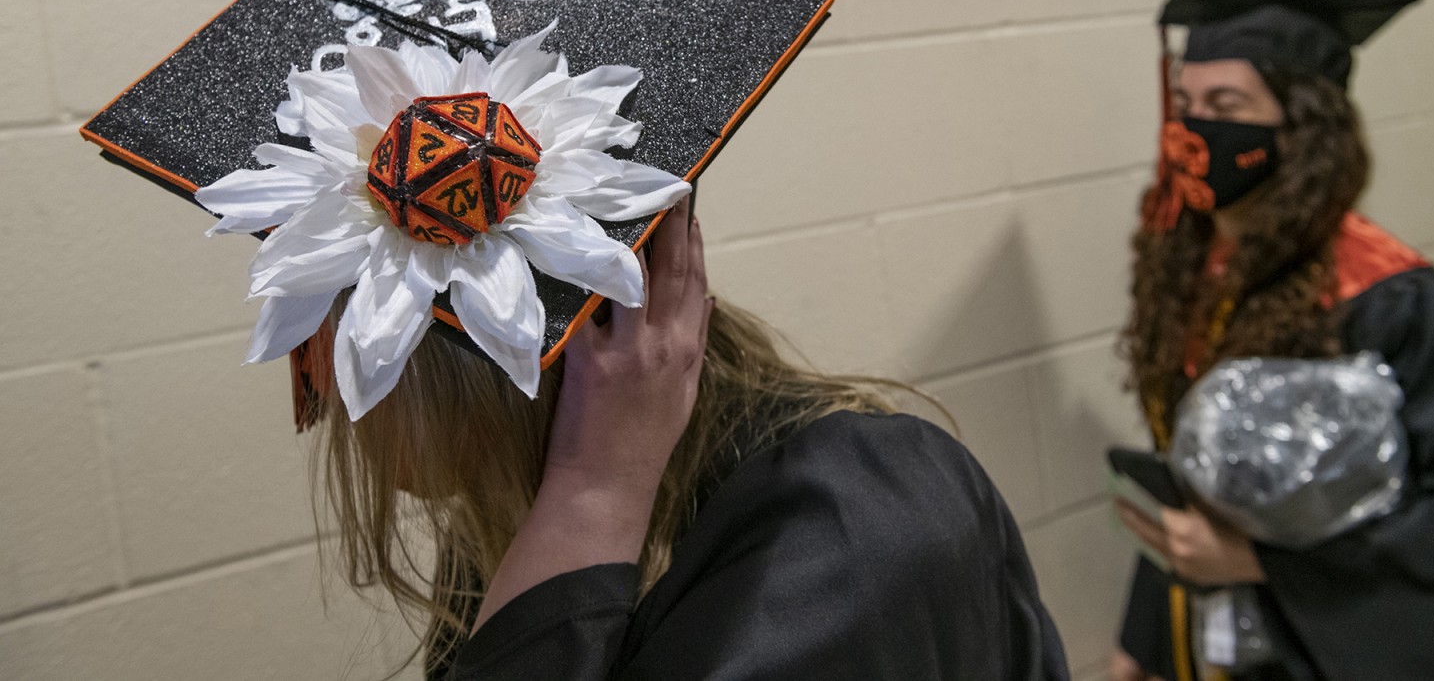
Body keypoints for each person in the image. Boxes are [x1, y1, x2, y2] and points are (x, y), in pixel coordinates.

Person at [316, 198, 1071, 680]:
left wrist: (594, 496)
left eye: (344, 338)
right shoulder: (512, 524)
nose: (324, 385)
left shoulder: (845, 523)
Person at [1110, 0, 1434, 681]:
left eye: (1228, 103)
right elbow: (1196, 490)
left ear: (1302, 128)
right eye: (1185, 101)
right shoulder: (1195, 278)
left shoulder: (1397, 301)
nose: (1194, 127)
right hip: (1215, 647)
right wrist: (1144, 641)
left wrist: (1261, 563)